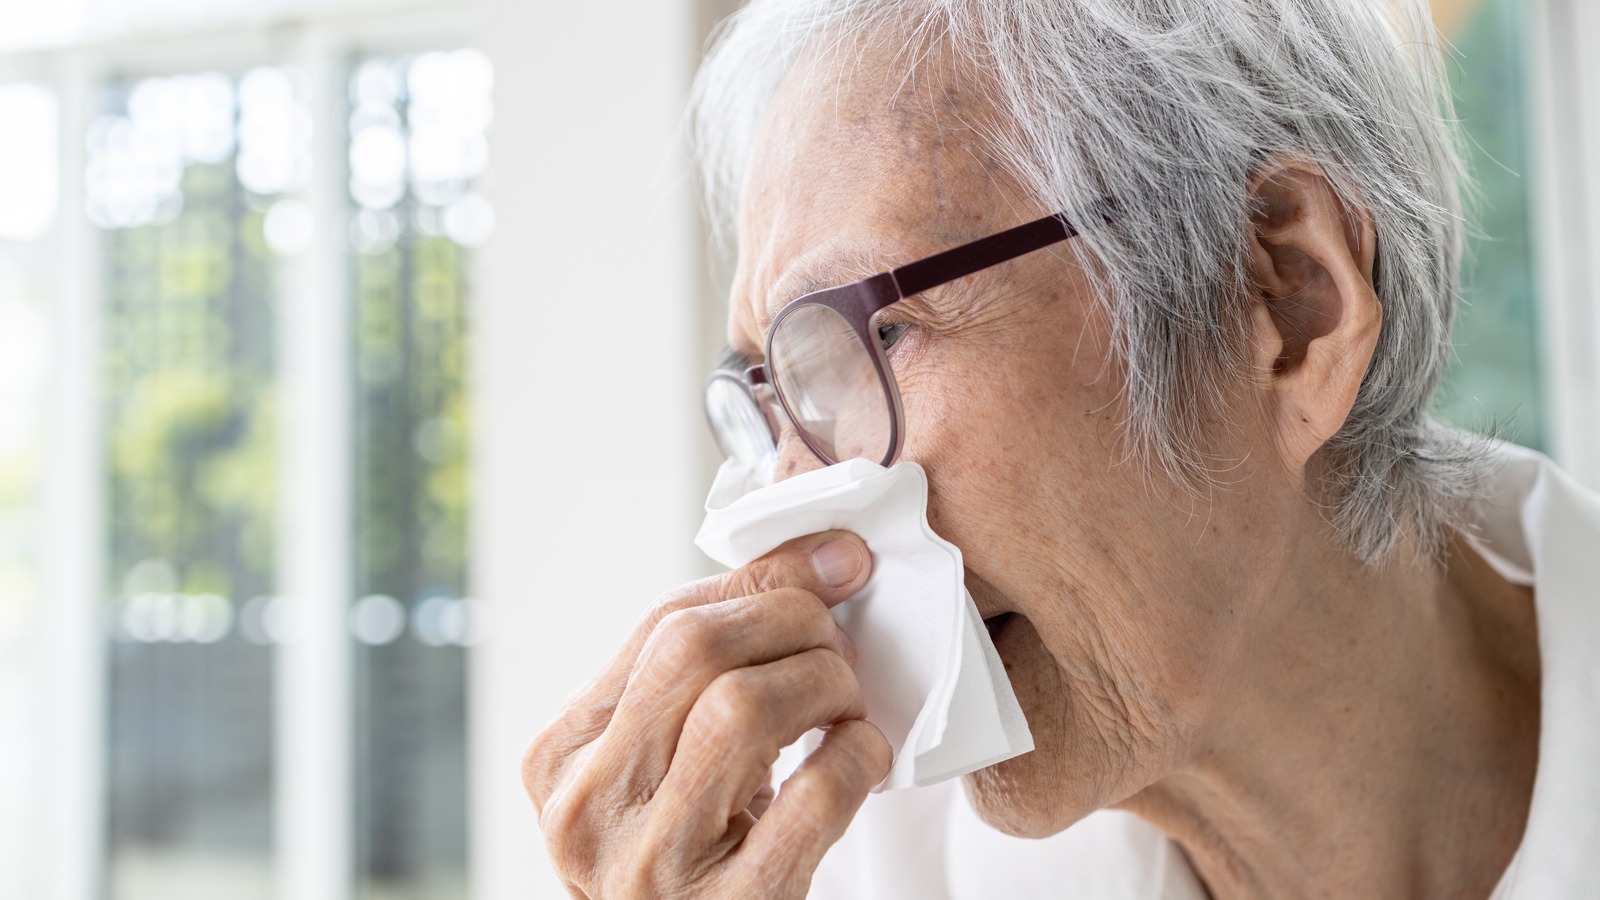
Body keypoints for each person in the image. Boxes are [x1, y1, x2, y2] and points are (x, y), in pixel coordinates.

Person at [522, 0, 1600, 896]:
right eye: (778, 394)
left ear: (1284, 302)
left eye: (878, 338)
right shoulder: (855, 857)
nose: (797, 501)